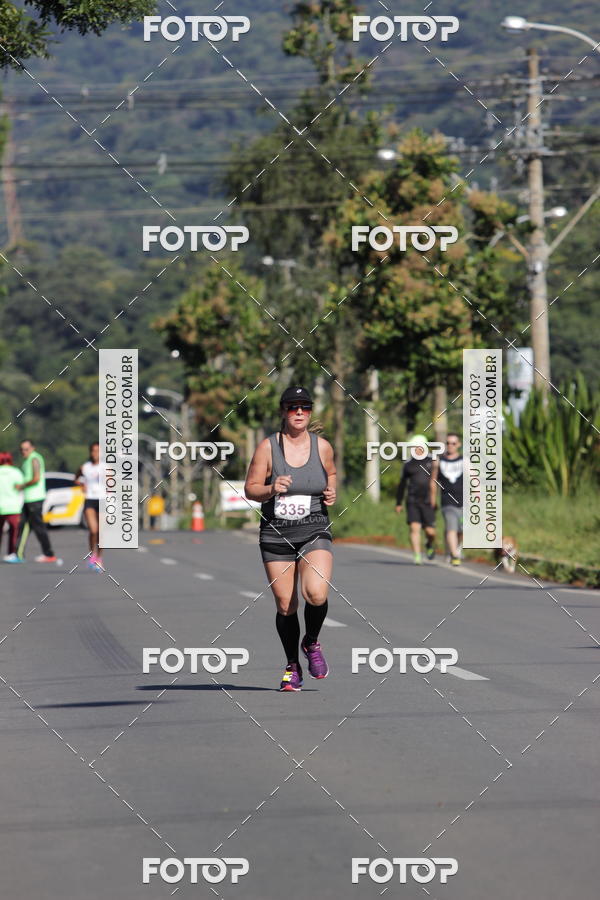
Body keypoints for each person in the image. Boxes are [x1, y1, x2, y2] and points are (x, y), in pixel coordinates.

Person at [244, 386, 336, 692]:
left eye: (305, 407)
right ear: (283, 411)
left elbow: (331, 474)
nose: (299, 412)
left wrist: (331, 491)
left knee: (317, 593)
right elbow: (250, 488)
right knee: (286, 604)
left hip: (314, 527)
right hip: (277, 532)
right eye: (293, 407)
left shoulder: (322, 447)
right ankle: (292, 665)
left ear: (310, 412)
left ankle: (311, 642)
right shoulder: (268, 448)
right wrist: (271, 489)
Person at [395, 434, 436, 564]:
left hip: (428, 500)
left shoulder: (432, 461)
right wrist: (398, 502)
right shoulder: (408, 464)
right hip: (412, 499)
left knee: (430, 532)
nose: (414, 449)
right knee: (414, 528)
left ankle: (429, 544)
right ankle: (417, 555)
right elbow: (402, 484)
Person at [16, 439, 57, 562]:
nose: (24, 451)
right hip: (30, 498)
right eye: (22, 449)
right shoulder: (27, 460)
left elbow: (36, 478)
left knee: (37, 527)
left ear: (33, 448)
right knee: (24, 526)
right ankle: (18, 553)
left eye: (26, 449)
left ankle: (48, 554)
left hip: (35, 499)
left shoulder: (34, 459)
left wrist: (22, 486)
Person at [431, 433, 464, 566]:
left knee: (462, 531)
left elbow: (474, 480)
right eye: (448, 443)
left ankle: (451, 549)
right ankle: (455, 556)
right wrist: (432, 500)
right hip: (447, 502)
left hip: (464, 502)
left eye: (453, 443)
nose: (450, 446)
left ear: (459, 445)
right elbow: (433, 481)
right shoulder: (439, 461)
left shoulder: (464, 461)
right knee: (451, 528)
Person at [75, 442, 103, 571]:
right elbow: (76, 478)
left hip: (103, 500)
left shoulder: (106, 466)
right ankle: (92, 555)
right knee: (93, 530)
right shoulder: (85, 467)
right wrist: (81, 485)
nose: (95, 453)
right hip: (90, 500)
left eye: (98, 451)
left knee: (102, 533)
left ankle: (99, 558)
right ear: (90, 452)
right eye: (93, 451)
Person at [0, 452, 25, 562]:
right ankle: (11, 554)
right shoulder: (16, 472)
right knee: (13, 532)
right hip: (13, 506)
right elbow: (20, 487)